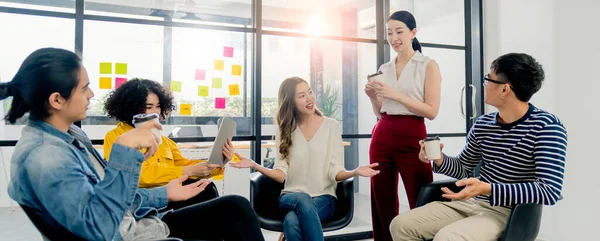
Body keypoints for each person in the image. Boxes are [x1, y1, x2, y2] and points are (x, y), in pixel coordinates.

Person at [1, 48, 265, 241]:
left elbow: (109, 194)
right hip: (129, 235)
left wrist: (166, 194)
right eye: (84, 88)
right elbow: (100, 229)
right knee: (231, 219)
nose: (91, 94)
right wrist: (125, 153)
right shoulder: (45, 156)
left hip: (139, 224)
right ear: (57, 100)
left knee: (235, 206)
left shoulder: (72, 137)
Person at [389, 53, 568, 241]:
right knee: (401, 225)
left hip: (507, 212)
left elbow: (549, 190)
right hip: (470, 203)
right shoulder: (484, 124)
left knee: (447, 238)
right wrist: (438, 158)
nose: (484, 85)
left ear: (505, 89)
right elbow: (464, 168)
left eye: (488, 79)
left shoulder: (547, 127)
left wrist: (488, 189)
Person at [231, 76, 380, 241]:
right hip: (290, 196)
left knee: (291, 221)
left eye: (309, 92)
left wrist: (356, 171)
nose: (309, 98)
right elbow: (281, 174)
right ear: (291, 102)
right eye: (301, 95)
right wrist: (253, 164)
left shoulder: (332, 126)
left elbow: (335, 172)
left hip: (324, 198)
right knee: (302, 198)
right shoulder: (285, 129)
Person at [365, 10, 441, 241]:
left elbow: (432, 111)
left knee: (421, 197)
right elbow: (381, 112)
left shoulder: (428, 65)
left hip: (413, 135)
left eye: (399, 31)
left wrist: (395, 95)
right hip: (382, 133)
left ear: (413, 32)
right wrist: (372, 96)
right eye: (389, 33)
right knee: (382, 200)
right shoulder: (384, 68)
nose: (394, 37)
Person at [103, 78, 233, 209]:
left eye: (158, 106)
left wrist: (216, 163)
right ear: (131, 108)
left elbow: (183, 164)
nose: (156, 112)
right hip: (145, 202)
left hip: (173, 194)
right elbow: (141, 176)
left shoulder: (165, 141)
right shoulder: (116, 137)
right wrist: (186, 171)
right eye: (149, 107)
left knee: (206, 187)